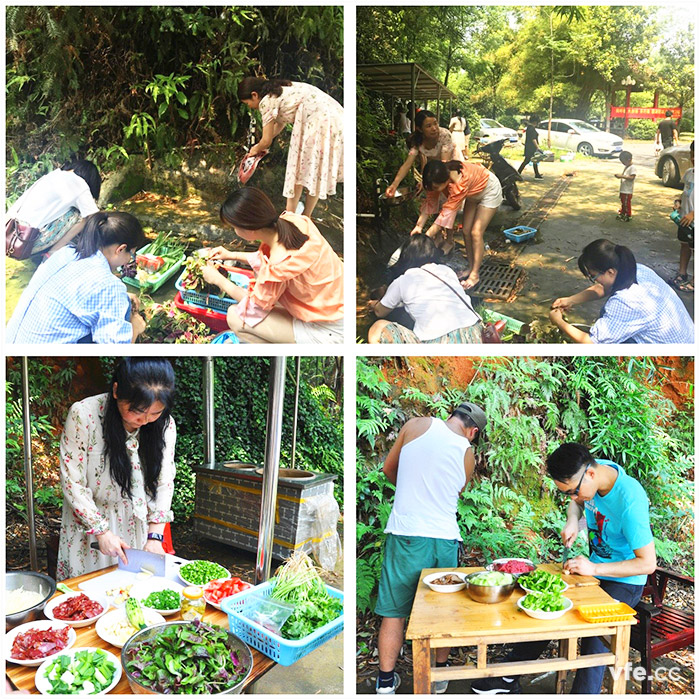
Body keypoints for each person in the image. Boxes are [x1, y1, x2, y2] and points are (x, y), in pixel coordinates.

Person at [472, 442, 655, 695]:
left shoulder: (629, 500)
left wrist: (593, 568)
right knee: (545, 605)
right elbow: (578, 504)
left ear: (590, 474)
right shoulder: (595, 475)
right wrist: (572, 522)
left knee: (595, 633)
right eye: (566, 493)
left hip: (625, 581)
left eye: (573, 491)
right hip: (594, 571)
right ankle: (504, 679)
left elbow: (647, 563)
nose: (572, 497)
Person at [375, 402, 487, 694]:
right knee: (442, 610)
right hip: (443, 538)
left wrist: (409, 490)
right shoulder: (467, 452)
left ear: (451, 415)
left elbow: (389, 469)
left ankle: (386, 682)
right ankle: (437, 675)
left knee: (394, 612)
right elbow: (456, 491)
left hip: (406, 534)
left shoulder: (415, 425)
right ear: (472, 431)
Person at [57, 358, 177, 580]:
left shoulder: (165, 425)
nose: (145, 420)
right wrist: (101, 531)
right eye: (137, 411)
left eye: (155, 413)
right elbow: (72, 481)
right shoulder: (84, 415)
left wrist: (155, 537)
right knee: (87, 598)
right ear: (116, 391)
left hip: (137, 525)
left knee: (133, 594)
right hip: (90, 526)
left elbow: (164, 481)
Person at [201, 187, 343, 344]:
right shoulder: (295, 222)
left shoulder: (278, 267)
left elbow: (253, 307)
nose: (235, 231)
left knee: (234, 316)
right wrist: (231, 254)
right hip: (336, 305)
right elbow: (269, 259)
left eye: (234, 227)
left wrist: (217, 280)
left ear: (248, 229)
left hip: (328, 328)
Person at [6, 211, 147, 344]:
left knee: (124, 304)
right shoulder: (107, 284)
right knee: (125, 319)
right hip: (44, 357)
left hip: (12, 341)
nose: (129, 260)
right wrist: (135, 327)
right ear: (121, 249)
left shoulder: (66, 252)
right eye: (132, 254)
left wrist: (122, 296)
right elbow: (116, 351)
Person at [549, 239, 694, 344]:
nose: (595, 281)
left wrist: (559, 322)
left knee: (606, 315)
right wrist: (571, 300)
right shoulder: (636, 269)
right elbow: (603, 288)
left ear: (610, 271)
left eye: (594, 276)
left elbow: (592, 343)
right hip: (689, 338)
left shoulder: (625, 302)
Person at [237, 77, 343, 218]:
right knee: (317, 168)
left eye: (247, 102)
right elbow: (278, 125)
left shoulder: (266, 101)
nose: (249, 106)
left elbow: (266, 140)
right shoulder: (280, 89)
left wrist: (255, 149)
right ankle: (306, 216)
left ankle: (289, 216)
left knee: (297, 166)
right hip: (337, 120)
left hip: (317, 122)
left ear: (254, 95)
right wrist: (260, 146)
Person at [367, 235, 482, 344]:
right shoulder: (446, 270)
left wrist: (374, 305)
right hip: (475, 333)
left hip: (438, 341)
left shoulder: (403, 280)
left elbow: (380, 312)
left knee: (377, 328)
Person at [413, 159, 502, 289]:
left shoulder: (459, 184)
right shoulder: (437, 173)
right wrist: (418, 226)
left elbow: (444, 217)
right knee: (466, 231)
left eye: (437, 187)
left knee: (476, 232)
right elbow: (430, 202)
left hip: (489, 190)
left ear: (446, 181)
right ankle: (471, 267)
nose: (435, 190)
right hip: (472, 193)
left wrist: (424, 238)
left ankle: (475, 275)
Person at [5, 160, 101, 255]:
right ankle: (52, 253)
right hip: (27, 241)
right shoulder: (79, 183)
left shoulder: (52, 175)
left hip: (9, 234)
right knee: (82, 217)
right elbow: (94, 217)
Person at [385, 111, 463, 200]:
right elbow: (407, 164)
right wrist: (394, 184)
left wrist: (426, 180)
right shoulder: (417, 140)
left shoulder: (444, 135)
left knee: (450, 193)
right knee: (433, 196)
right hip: (434, 166)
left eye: (435, 123)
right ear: (420, 129)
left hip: (450, 165)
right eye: (428, 126)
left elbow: (444, 163)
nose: (434, 128)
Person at [672, 140, 694, 292]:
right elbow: (685, 192)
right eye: (693, 155)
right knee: (684, 245)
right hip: (684, 219)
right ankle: (682, 273)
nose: (694, 158)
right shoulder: (689, 173)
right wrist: (678, 202)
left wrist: (694, 213)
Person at [518, 115, 543, 180]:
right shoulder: (531, 128)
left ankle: (537, 174)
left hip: (530, 147)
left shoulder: (529, 127)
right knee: (527, 161)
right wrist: (537, 147)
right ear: (535, 122)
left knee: (535, 160)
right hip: (531, 148)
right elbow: (533, 139)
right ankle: (518, 173)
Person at [614, 151, 636, 221]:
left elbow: (632, 177)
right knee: (623, 202)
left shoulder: (632, 168)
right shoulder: (627, 167)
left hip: (627, 190)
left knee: (626, 203)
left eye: (623, 162)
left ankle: (628, 215)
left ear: (629, 160)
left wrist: (622, 176)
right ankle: (623, 212)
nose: (623, 164)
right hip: (623, 189)